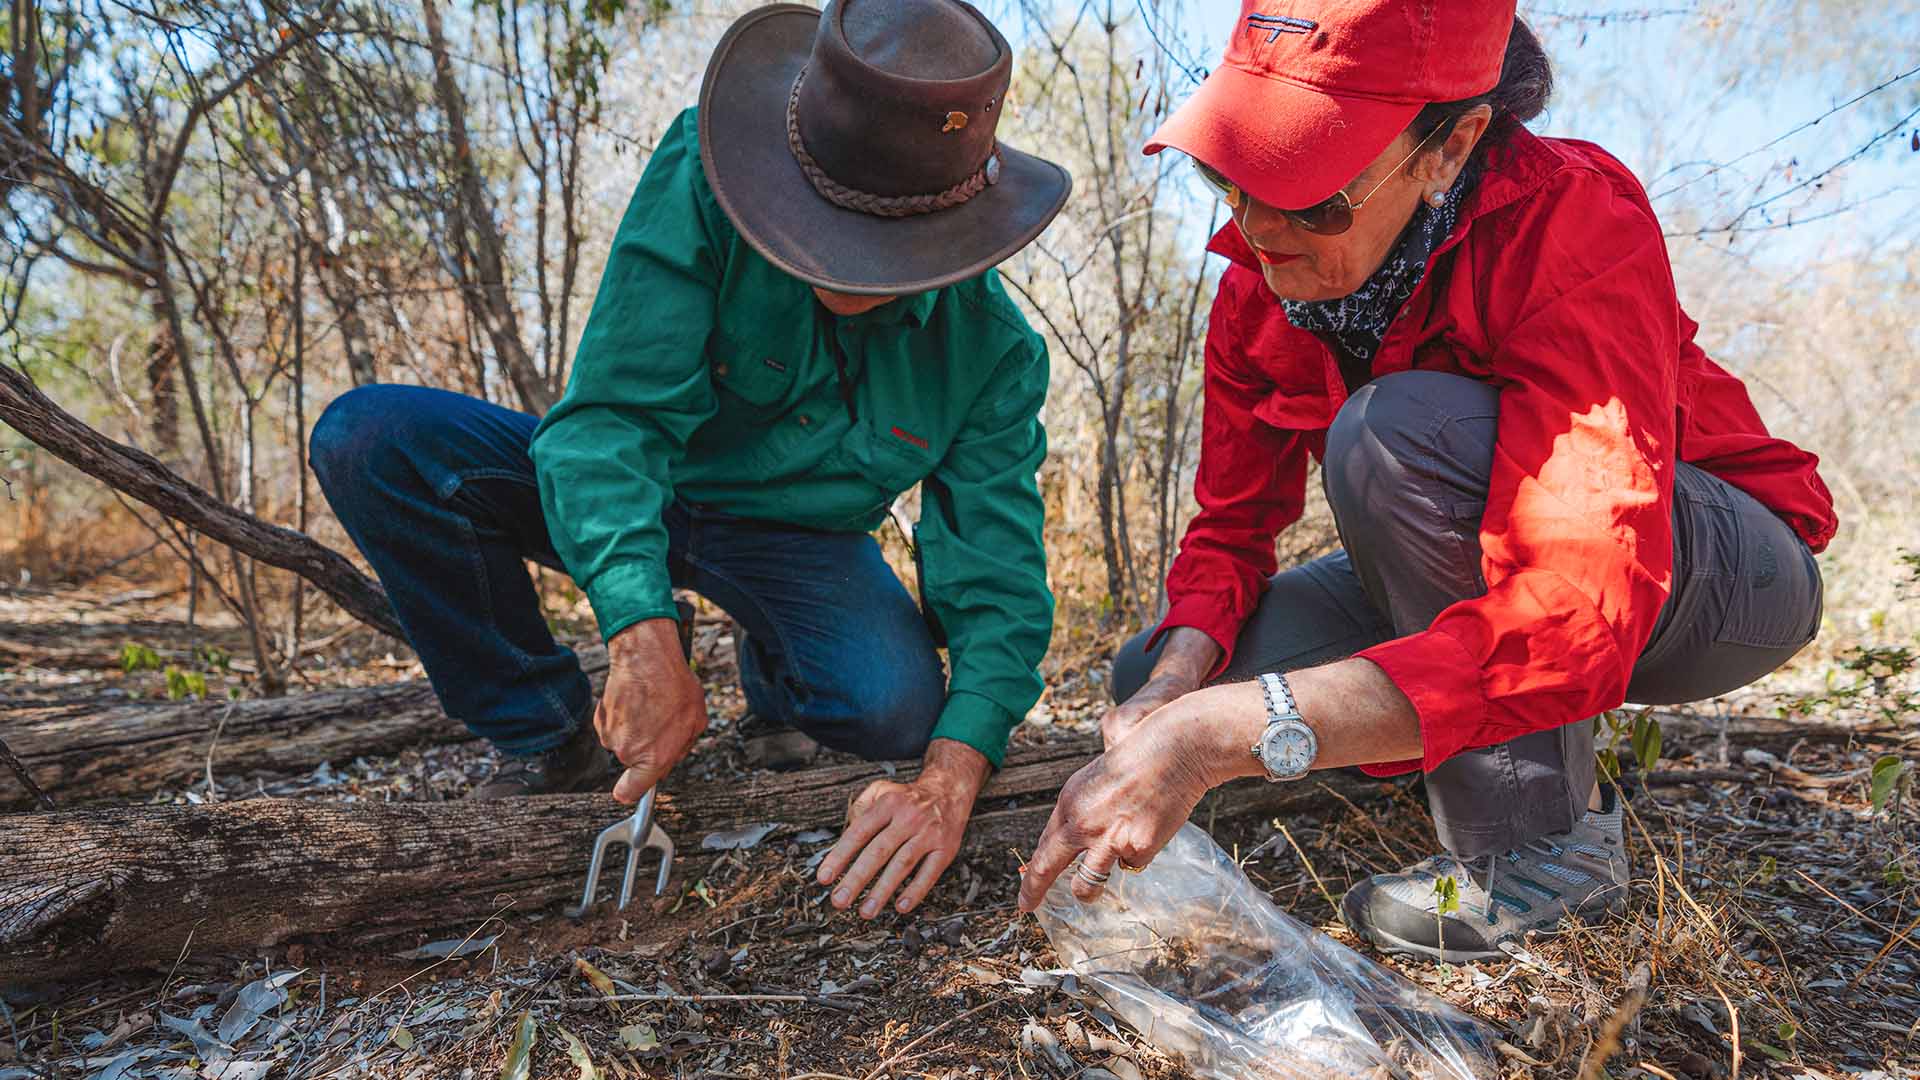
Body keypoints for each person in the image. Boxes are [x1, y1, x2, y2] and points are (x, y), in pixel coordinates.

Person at [1016, 0, 1834, 962]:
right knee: (1172, 670)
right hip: (1497, 568)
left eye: (1314, 196)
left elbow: (1578, 606)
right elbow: (1232, 527)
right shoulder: (1259, 283)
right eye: (1232, 180)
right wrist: (1177, 688)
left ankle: (1544, 847)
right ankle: (1452, 742)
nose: (1262, 229)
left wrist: (1219, 738)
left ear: (1450, 147)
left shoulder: (1570, 220)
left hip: (1715, 574)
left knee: (1393, 434)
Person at [311, 0, 1070, 921]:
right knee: (372, 440)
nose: (846, 265)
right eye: (826, 225)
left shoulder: (995, 352)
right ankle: (545, 734)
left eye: (883, 247)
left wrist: (950, 778)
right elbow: (610, 423)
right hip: (653, 487)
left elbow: (998, 582)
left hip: (800, 543)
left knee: (899, 713)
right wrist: (638, 631)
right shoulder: (707, 177)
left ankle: (774, 690)